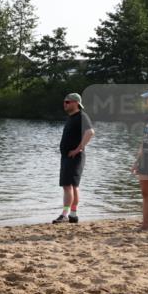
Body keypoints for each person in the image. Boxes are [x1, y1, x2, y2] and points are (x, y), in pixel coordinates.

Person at [53, 92, 95, 224]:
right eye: (64, 102)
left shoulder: (81, 116)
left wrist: (79, 148)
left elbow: (90, 132)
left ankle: (65, 214)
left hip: (74, 157)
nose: (64, 104)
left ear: (76, 103)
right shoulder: (72, 117)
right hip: (69, 157)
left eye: (67, 102)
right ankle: (73, 214)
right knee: (73, 186)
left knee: (68, 186)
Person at [130, 88, 148, 231]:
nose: (146, 100)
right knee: (145, 192)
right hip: (146, 159)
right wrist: (137, 161)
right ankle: (145, 225)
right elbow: (144, 141)